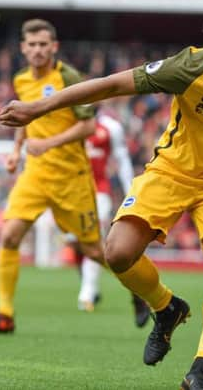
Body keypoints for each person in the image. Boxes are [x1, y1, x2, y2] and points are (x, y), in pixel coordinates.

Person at [0, 1, 203, 390]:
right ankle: (166, 307)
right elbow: (113, 84)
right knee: (116, 253)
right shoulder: (191, 66)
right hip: (170, 172)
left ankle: (200, 368)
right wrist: (39, 107)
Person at [0, 19, 138, 334]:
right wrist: (16, 149)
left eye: (42, 44)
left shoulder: (68, 77)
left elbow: (89, 127)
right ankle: (5, 316)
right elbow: (26, 118)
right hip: (35, 176)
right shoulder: (21, 79)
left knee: (93, 251)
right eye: (31, 45)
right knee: (9, 237)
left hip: (71, 178)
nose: (37, 50)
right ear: (23, 48)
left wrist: (48, 143)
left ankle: (141, 292)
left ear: (54, 47)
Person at [27, 110, 150, 326]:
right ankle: (124, 287)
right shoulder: (67, 124)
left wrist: (131, 188)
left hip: (98, 192)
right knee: (77, 244)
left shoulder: (110, 128)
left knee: (94, 240)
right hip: (70, 193)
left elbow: (120, 159)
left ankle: (88, 293)